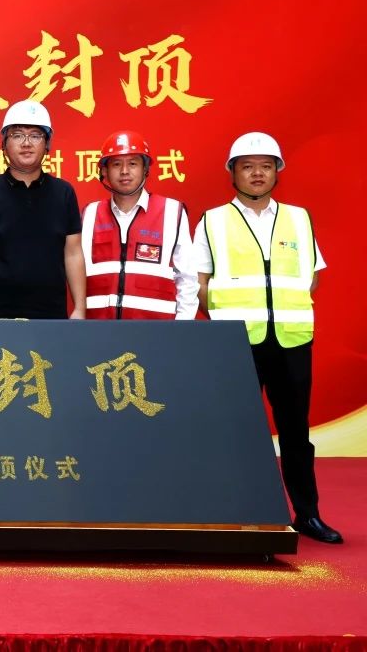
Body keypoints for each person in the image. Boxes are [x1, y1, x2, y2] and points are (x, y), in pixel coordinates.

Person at [195, 132, 341, 545]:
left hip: (291, 341)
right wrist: (228, 315)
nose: (257, 173)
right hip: (236, 343)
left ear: (277, 171)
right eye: (248, 166)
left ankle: (308, 514)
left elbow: (312, 277)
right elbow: (199, 283)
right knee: (236, 430)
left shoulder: (299, 219)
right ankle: (237, 512)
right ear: (233, 172)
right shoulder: (213, 221)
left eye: (266, 165)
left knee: (295, 432)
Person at [0, 100, 85, 320]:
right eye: (17, 135)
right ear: (4, 144)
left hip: (51, 315)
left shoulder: (64, 193)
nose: (26, 143)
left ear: (47, 144)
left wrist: (79, 309)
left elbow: (73, 253)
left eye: (35, 136)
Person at [81, 131, 197, 320]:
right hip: (99, 329)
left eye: (133, 163)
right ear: (104, 171)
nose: (124, 171)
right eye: (116, 164)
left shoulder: (171, 211)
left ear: (145, 169)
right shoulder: (90, 214)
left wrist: (182, 327)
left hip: (156, 330)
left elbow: (187, 278)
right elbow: (77, 275)